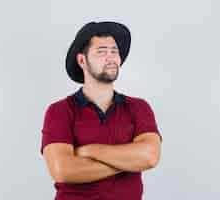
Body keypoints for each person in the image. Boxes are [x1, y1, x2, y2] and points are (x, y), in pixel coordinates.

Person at [40, 21, 162, 200]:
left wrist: (89, 151)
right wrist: (130, 161)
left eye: (114, 51)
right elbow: (62, 170)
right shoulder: (60, 111)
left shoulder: (138, 108)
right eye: (102, 52)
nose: (111, 57)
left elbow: (150, 157)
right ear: (82, 60)